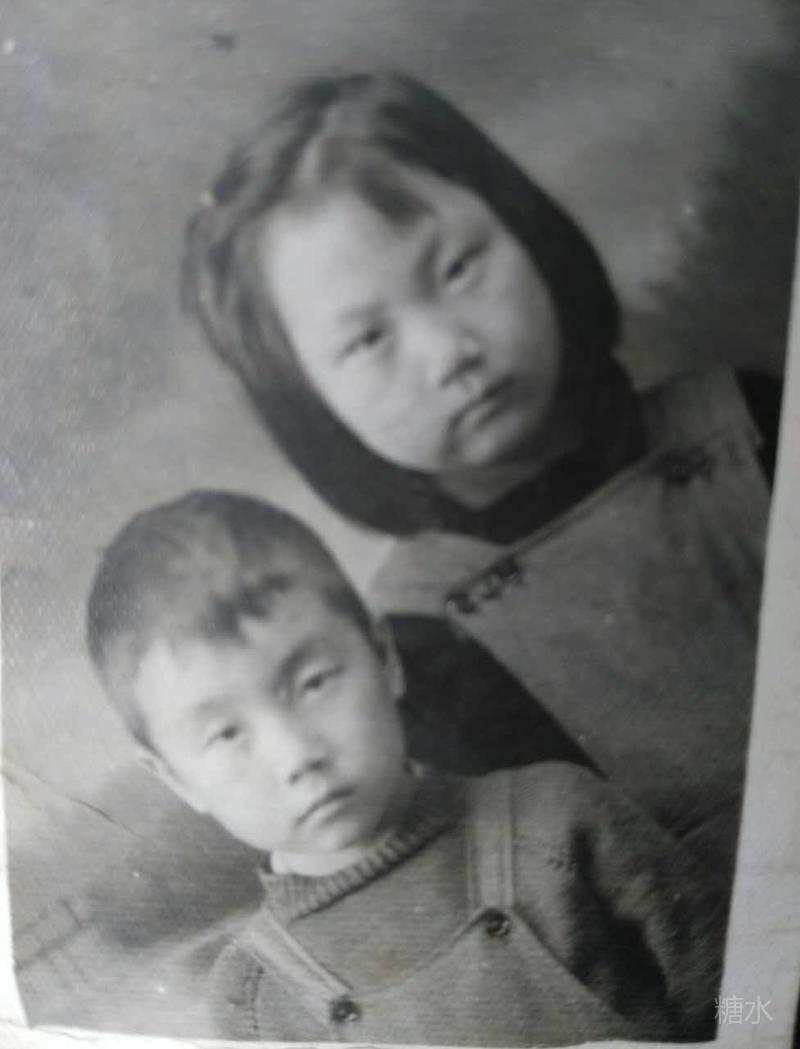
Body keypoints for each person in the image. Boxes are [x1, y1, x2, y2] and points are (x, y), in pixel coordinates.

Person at [181, 72, 770, 883]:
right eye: (368, 340)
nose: (450, 350)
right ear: (312, 406)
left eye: (459, 267)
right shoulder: (422, 651)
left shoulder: (750, 423)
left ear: (529, 234)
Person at [86, 489, 722, 1045]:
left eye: (314, 682)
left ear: (383, 657)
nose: (297, 755)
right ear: (175, 778)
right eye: (227, 734)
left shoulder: (561, 821)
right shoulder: (253, 999)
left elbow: (751, 1001)